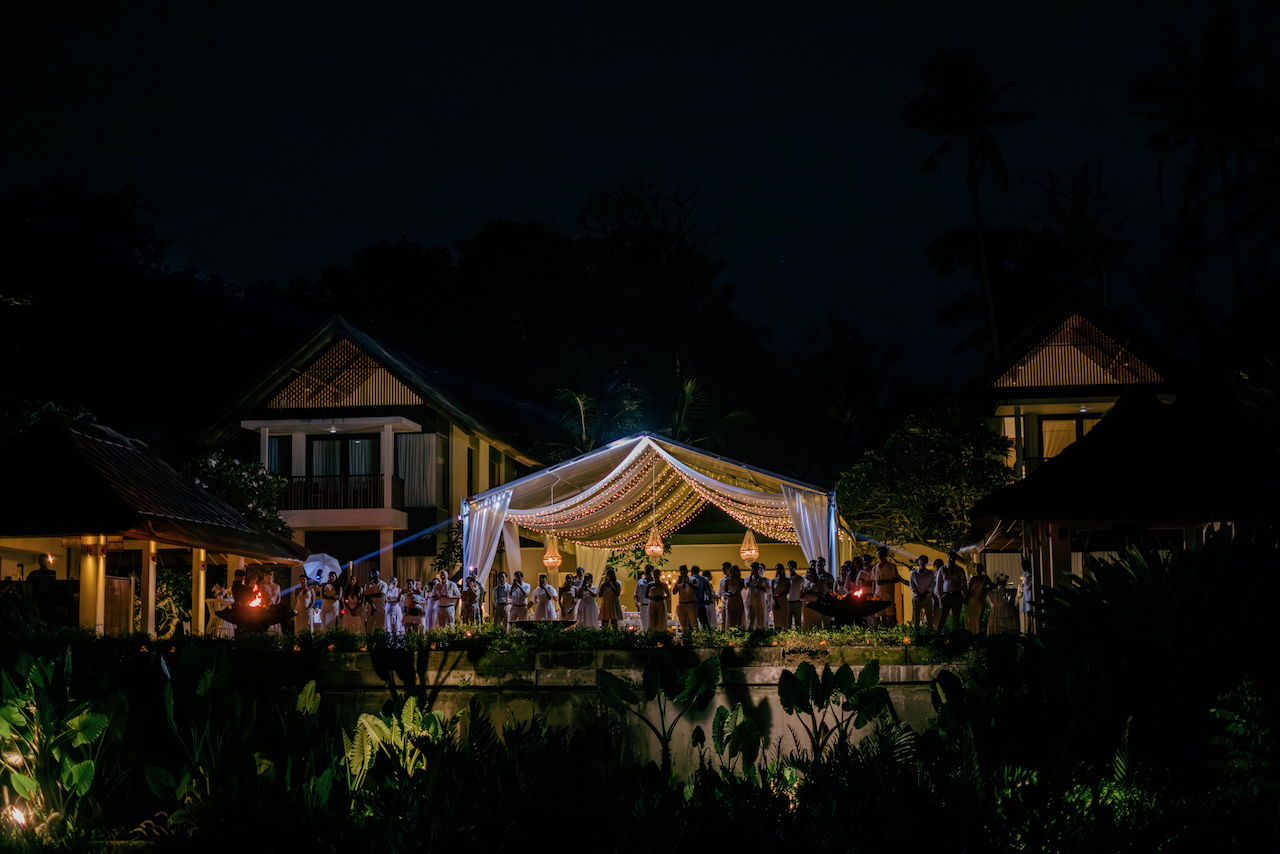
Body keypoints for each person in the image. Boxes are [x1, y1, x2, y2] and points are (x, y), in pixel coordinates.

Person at [873, 546, 907, 628]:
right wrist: (874, 593)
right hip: (878, 595)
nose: (880, 555)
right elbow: (873, 582)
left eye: (881, 553)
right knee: (882, 616)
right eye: (878, 554)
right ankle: (885, 632)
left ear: (885, 554)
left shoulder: (891, 566)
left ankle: (896, 631)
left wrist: (885, 581)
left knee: (891, 615)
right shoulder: (875, 568)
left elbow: (896, 579)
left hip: (888, 594)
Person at [935, 554, 966, 633]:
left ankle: (955, 635)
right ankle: (938, 634)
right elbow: (938, 584)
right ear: (947, 558)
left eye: (952, 558)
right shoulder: (942, 569)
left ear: (955, 559)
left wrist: (965, 596)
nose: (951, 559)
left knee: (956, 617)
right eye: (949, 557)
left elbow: (964, 583)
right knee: (942, 616)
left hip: (957, 594)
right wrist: (939, 597)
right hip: (946, 595)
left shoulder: (960, 570)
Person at [909, 555, 937, 630]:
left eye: (924, 561)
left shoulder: (930, 574)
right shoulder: (914, 573)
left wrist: (922, 595)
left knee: (929, 616)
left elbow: (931, 586)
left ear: (926, 562)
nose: (922, 562)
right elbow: (912, 585)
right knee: (916, 617)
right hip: (917, 597)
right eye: (921, 560)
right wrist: (918, 595)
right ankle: (916, 631)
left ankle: (929, 631)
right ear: (918, 561)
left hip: (926, 597)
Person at [964, 562, 992, 634]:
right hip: (972, 600)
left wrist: (985, 590)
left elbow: (991, 585)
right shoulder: (973, 578)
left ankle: (977, 632)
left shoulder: (985, 578)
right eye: (977, 568)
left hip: (980, 600)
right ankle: (972, 633)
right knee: (971, 618)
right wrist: (966, 598)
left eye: (980, 568)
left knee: (978, 618)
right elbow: (970, 589)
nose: (978, 569)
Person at [672, 565, 698, 635]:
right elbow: (674, 592)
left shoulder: (693, 579)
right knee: (683, 625)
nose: (683, 574)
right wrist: (677, 583)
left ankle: (696, 637)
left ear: (687, 571)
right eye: (681, 573)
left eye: (684, 572)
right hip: (682, 604)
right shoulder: (679, 581)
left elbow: (696, 588)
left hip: (691, 603)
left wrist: (688, 582)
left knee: (694, 624)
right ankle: (685, 637)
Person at [745, 563, 770, 630]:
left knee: (760, 620)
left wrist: (760, 588)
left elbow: (768, 590)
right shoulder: (748, 578)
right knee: (751, 620)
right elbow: (747, 584)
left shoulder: (764, 580)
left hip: (760, 602)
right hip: (751, 602)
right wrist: (751, 575)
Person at [800, 566, 823, 631]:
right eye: (808, 573)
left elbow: (821, 593)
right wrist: (805, 592)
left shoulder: (818, 583)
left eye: (811, 573)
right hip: (806, 603)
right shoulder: (804, 583)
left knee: (815, 619)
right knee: (806, 619)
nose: (809, 574)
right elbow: (800, 595)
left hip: (815, 602)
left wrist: (811, 592)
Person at [784, 562, 804, 629]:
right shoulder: (786, 579)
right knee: (788, 621)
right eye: (789, 566)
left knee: (798, 621)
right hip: (788, 602)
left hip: (797, 602)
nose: (791, 568)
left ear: (795, 567)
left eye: (792, 566)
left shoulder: (800, 579)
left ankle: (798, 633)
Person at [634, 566, 654, 631]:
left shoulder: (654, 582)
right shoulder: (640, 582)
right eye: (646, 570)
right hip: (643, 604)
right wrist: (636, 601)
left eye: (649, 570)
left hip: (652, 604)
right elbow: (636, 593)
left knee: (652, 622)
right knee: (644, 623)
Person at [770, 564, 789, 630]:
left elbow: (787, 590)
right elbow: (772, 592)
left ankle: (785, 633)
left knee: (784, 618)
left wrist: (779, 595)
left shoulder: (787, 580)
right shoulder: (773, 581)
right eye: (777, 569)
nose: (778, 570)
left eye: (780, 569)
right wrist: (775, 600)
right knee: (777, 619)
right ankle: (777, 632)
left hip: (783, 600)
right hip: (775, 601)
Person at [716, 562, 733, 628]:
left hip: (731, 600)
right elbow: (720, 591)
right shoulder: (722, 580)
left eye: (724, 569)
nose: (723, 571)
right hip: (725, 600)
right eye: (722, 570)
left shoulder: (733, 579)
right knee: (723, 618)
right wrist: (717, 597)